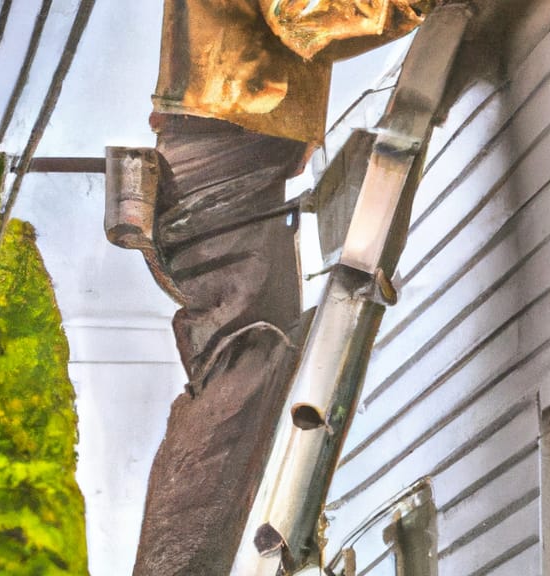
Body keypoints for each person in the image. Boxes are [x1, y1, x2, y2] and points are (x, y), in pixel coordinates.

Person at [133, 2, 447, 574]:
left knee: (257, 371)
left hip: (222, 162)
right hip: (223, 163)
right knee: (244, 377)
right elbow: (299, 15)